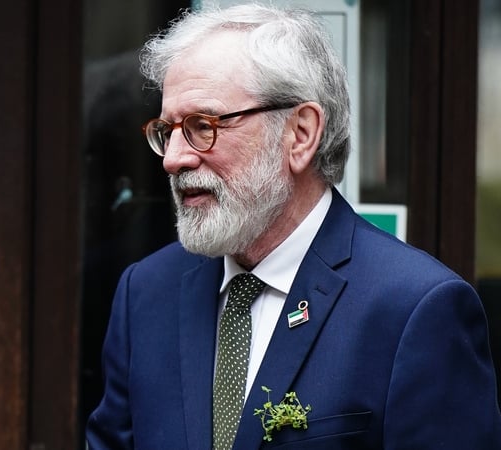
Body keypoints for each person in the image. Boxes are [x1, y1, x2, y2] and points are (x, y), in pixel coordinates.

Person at [85, 3, 501, 449]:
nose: (173, 159)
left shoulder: (413, 309)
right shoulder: (147, 293)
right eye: (167, 131)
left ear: (300, 134)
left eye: (202, 126)